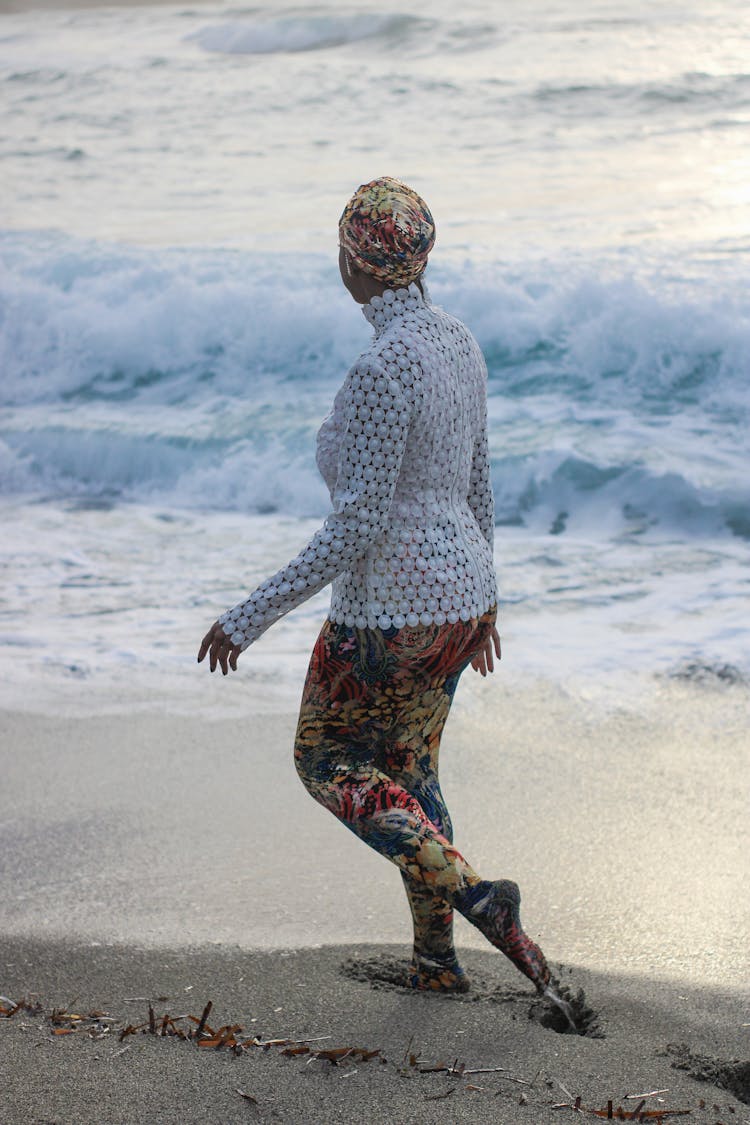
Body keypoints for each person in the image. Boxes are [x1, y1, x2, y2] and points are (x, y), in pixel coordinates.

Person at [198, 177, 552, 997]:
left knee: (325, 760)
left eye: (342, 244)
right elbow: (477, 478)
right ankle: (436, 962)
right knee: (413, 774)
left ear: (357, 263)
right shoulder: (459, 340)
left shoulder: (380, 369)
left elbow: (354, 526)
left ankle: (479, 900)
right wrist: (487, 597)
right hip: (463, 600)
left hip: (390, 614)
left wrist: (246, 617)